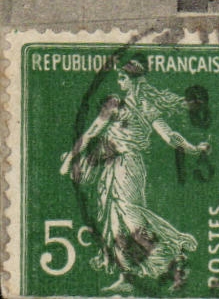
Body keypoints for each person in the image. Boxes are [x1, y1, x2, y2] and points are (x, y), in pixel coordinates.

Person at [59, 59, 209, 294]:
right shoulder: (113, 104)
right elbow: (91, 132)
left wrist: (193, 149)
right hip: (111, 167)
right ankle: (127, 276)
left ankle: (174, 261)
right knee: (114, 223)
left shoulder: (147, 107)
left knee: (132, 222)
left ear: (135, 80)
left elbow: (170, 137)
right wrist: (71, 158)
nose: (119, 83)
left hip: (130, 167)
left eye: (122, 78)